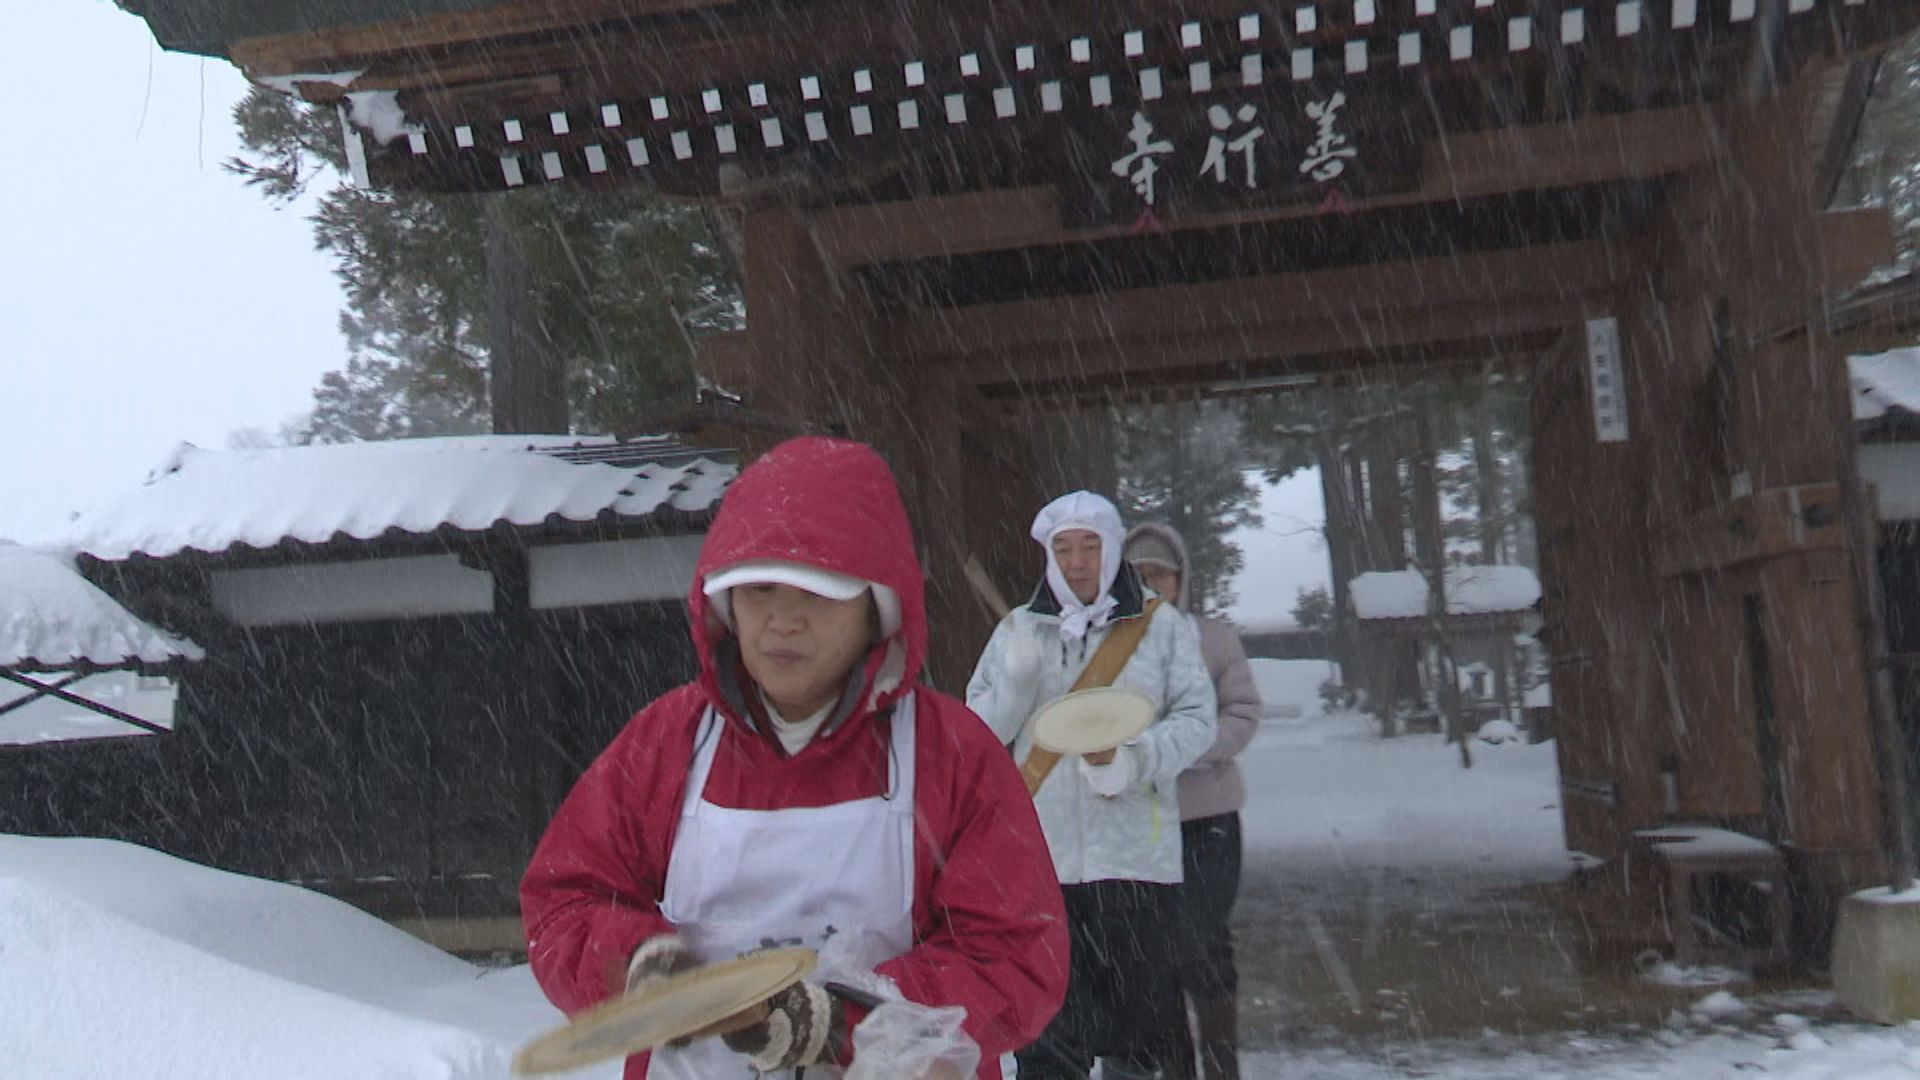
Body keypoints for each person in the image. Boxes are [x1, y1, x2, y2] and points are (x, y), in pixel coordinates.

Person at [520, 436, 1068, 1080]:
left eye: (817, 593)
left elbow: (1016, 957)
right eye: (759, 592)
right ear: (723, 604)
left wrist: (849, 1020)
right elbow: (565, 899)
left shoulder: (951, 753)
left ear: (876, 606)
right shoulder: (666, 742)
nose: (782, 621)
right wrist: (639, 966)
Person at [966, 491, 1217, 1080]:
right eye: (1064, 548)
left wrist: (1135, 761)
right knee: (1049, 1032)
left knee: (1138, 1037)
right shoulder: (1017, 629)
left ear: (1112, 549)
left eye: (1089, 546)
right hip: (1042, 866)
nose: (1077, 561)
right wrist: (1014, 684)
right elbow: (972, 736)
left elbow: (1198, 721)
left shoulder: (1162, 628)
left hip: (1135, 863)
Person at [1112, 523, 1263, 1080]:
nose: (1150, 584)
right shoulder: (1108, 650)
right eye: (1138, 575)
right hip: (1137, 826)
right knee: (1154, 961)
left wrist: (1184, 749)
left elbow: (1242, 713)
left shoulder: (1214, 640)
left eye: (1160, 574)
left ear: (1181, 580)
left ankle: (1222, 1068)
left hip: (1208, 824)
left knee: (1204, 945)